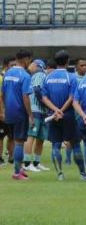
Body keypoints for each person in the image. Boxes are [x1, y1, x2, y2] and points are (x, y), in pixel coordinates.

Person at [41, 50, 86, 181]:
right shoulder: (71, 77)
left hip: (53, 116)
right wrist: (61, 110)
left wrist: (55, 110)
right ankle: (83, 174)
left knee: (56, 145)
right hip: (67, 115)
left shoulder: (48, 77)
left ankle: (60, 174)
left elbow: (44, 98)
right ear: (67, 62)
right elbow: (72, 97)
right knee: (76, 144)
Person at [0, 50, 33, 180]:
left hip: (9, 112)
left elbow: (2, 95)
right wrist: (30, 115)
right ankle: (17, 172)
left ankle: (19, 170)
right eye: (29, 60)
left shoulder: (8, 73)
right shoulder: (25, 75)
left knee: (13, 139)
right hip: (20, 112)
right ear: (26, 59)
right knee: (19, 141)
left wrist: (3, 110)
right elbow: (25, 96)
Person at [22, 59, 50, 172]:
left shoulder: (39, 74)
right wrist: (46, 104)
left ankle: (36, 162)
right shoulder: (37, 75)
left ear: (38, 66)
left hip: (40, 110)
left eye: (32, 64)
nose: (30, 66)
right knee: (32, 136)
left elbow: (38, 89)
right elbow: (37, 90)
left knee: (40, 138)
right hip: (36, 110)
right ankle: (27, 163)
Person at [0, 55, 17, 167]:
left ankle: (11, 157)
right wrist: (1, 112)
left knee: (12, 136)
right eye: (12, 65)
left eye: (15, 65)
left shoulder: (14, 78)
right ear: (6, 66)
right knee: (0, 136)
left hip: (12, 112)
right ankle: (0, 158)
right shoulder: (1, 78)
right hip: (3, 111)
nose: (14, 67)